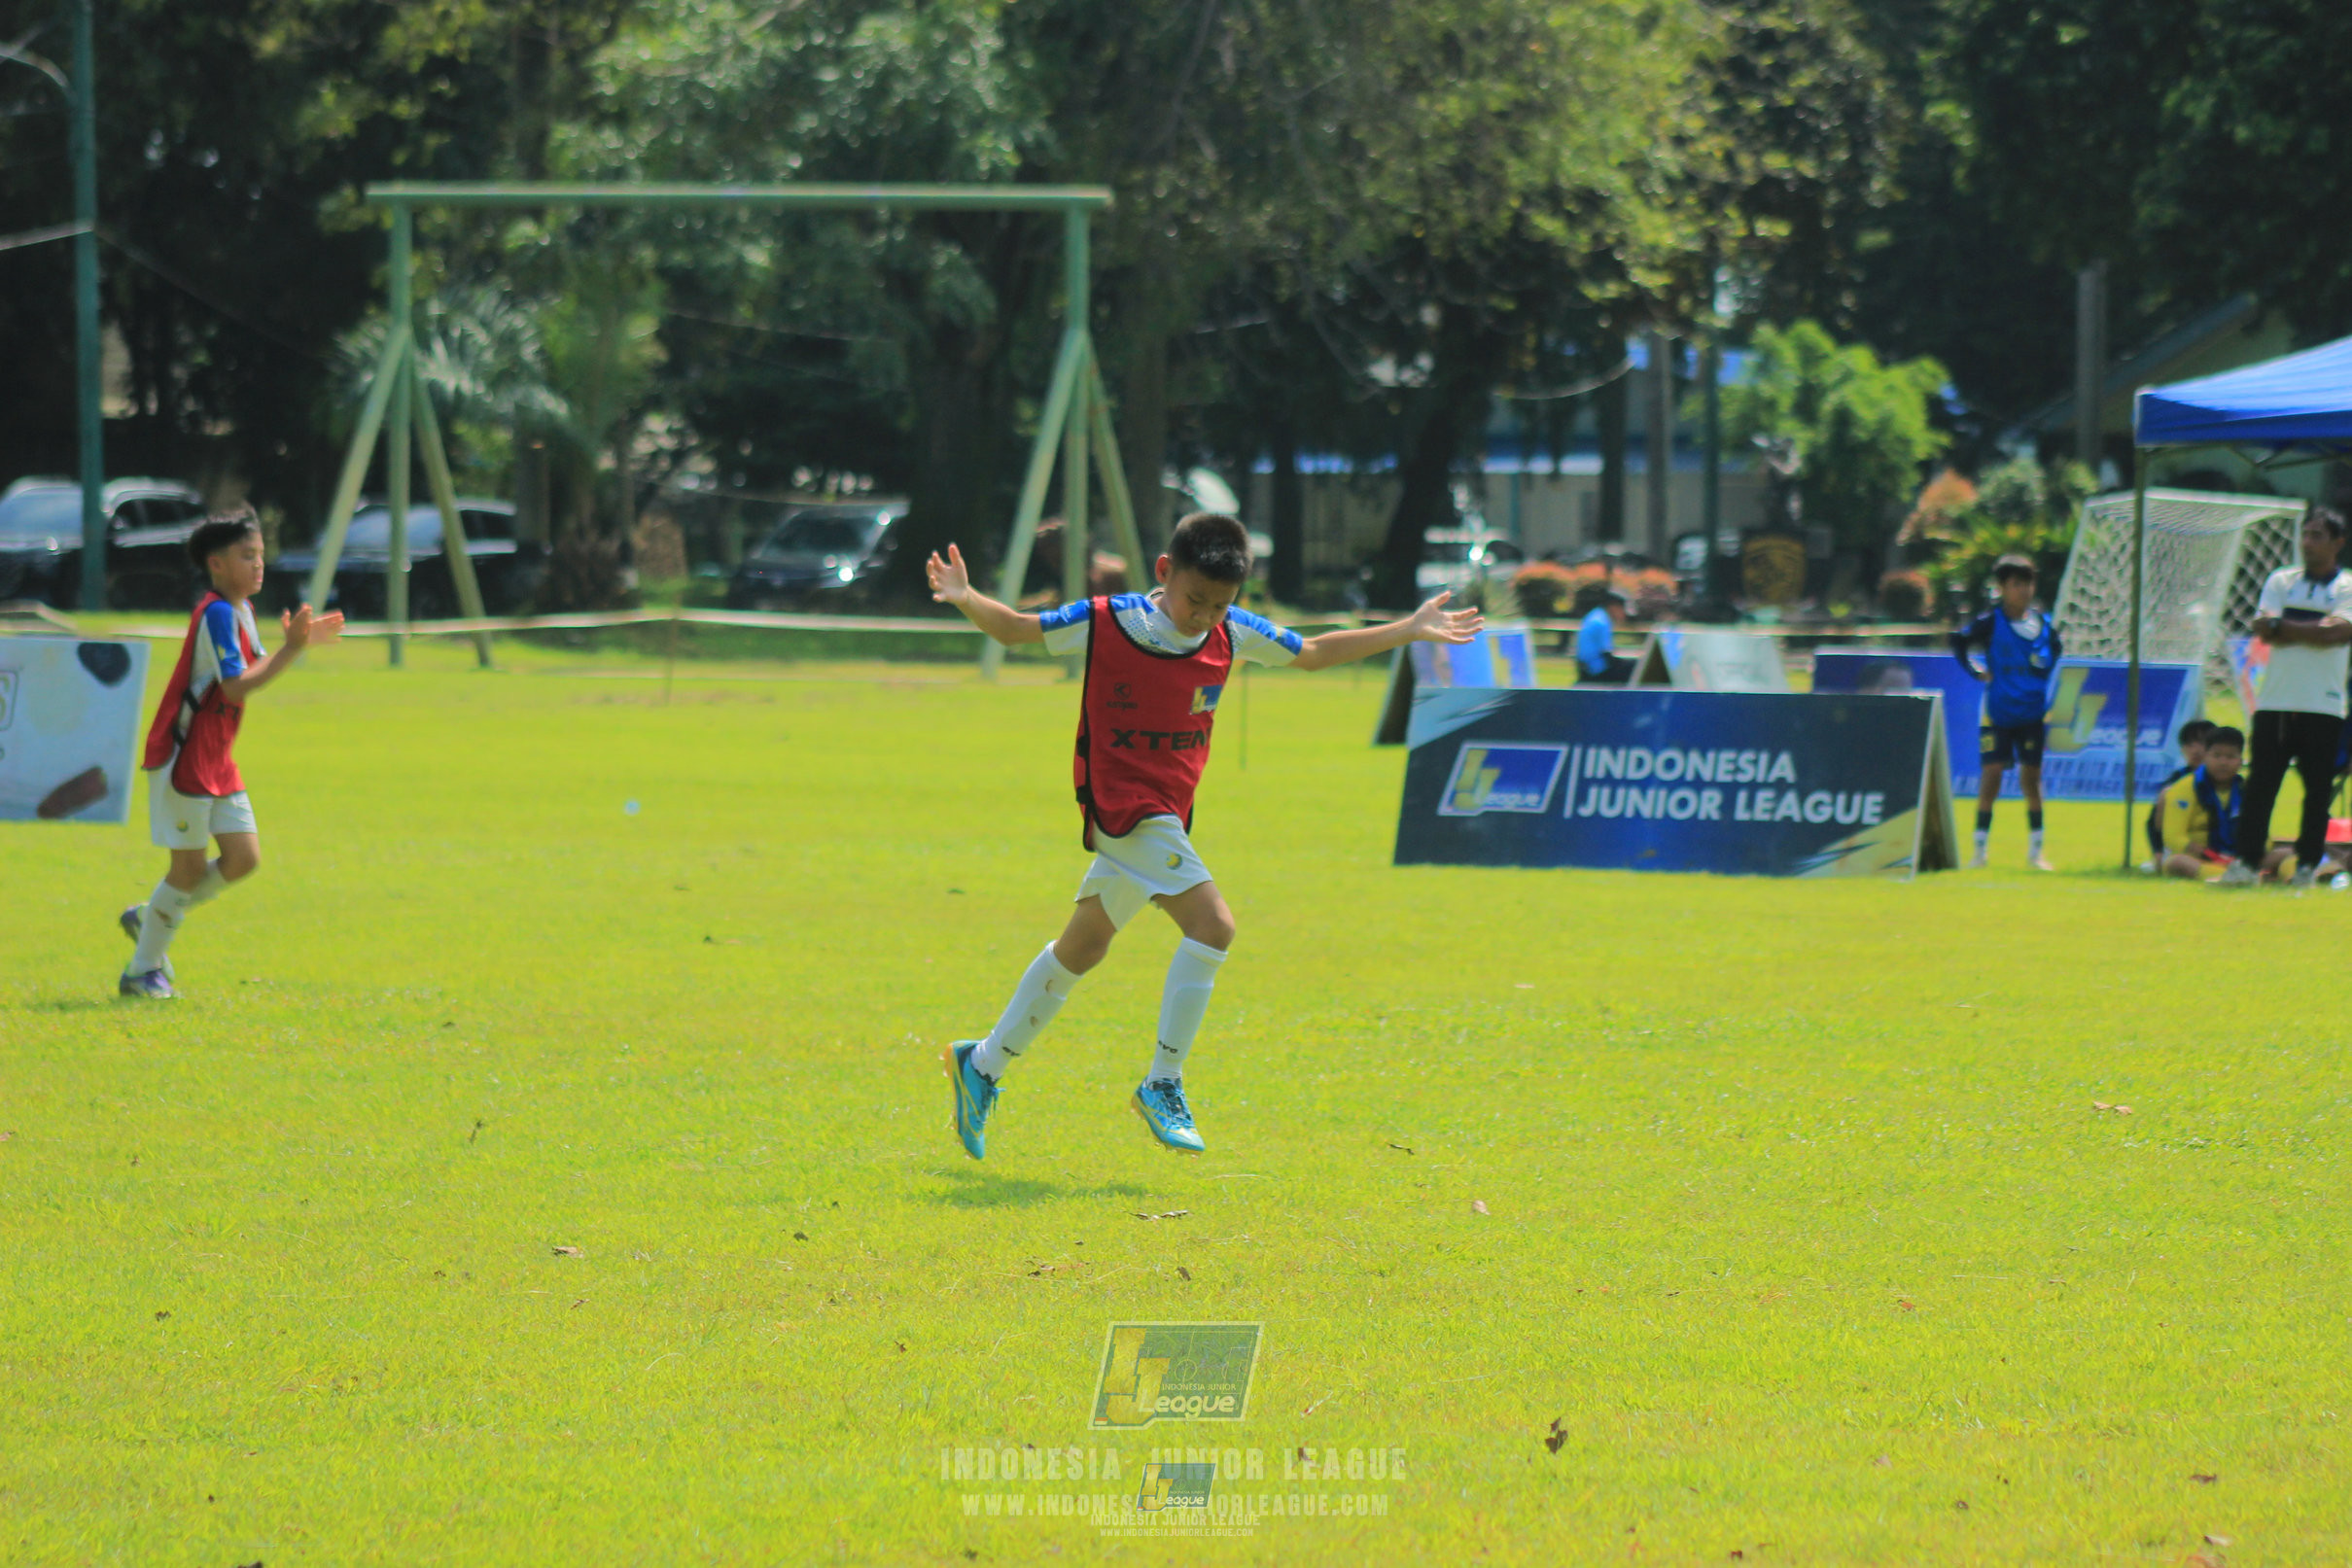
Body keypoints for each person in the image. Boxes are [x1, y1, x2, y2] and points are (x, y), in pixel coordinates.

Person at [924, 511, 1482, 1158]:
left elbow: (1314, 653)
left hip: (1167, 813)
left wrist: (1408, 628)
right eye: (1195, 599)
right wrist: (966, 597)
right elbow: (1017, 630)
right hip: (1125, 810)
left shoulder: (1231, 630)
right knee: (1213, 927)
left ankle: (981, 1064)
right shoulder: (1108, 621)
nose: (1205, 616)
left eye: (1220, 604)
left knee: (1084, 946)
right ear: (1165, 572)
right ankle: (1162, 1081)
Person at [117, 509, 342, 997]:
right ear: (216, 564)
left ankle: (151, 916)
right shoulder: (217, 612)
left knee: (242, 858)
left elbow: (249, 670)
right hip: (185, 757)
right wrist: (291, 650)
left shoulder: (241, 611)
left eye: (260, 554)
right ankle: (141, 971)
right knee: (188, 869)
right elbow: (236, 687)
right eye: (246, 555)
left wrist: (298, 644)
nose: (258, 564)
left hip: (216, 756)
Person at [2218, 505, 2352, 888]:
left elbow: (2337, 634)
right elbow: (2263, 628)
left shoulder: (2346, 586)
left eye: (2317, 536)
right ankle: (2246, 863)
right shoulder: (2281, 580)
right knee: (2261, 786)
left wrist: (2285, 627)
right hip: (2275, 702)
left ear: (2338, 543)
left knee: (2317, 793)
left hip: (2323, 704)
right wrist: (2312, 628)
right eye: (2305, 534)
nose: (2307, 542)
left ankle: (2307, 866)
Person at [1951, 554, 2062, 870]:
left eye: (2028, 583)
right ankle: (1979, 851)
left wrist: (2038, 678)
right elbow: (1959, 642)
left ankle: (2036, 852)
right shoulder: (1990, 622)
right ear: (2001, 587)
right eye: (2016, 584)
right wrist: (1976, 671)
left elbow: (2055, 650)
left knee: (2032, 779)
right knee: (1992, 775)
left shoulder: (2043, 625)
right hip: (1997, 713)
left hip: (2032, 714)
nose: (2023, 590)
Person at [2152, 726, 2273, 880]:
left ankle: (2287, 877)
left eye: (2231, 757)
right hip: (2198, 856)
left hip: (2239, 857)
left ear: (2241, 761)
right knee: (2178, 862)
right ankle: (2232, 877)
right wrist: (2208, 854)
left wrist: (2252, 854)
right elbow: (2173, 837)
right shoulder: (2185, 787)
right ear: (2205, 757)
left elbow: (2262, 836)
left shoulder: (2247, 791)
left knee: (2283, 854)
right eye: (2216, 755)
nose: (2223, 762)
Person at [2146, 718, 2215, 862]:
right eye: (2189, 745)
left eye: (2202, 743)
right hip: (2184, 847)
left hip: (2219, 844)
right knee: (2165, 794)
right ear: (2182, 749)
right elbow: (2153, 823)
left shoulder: (2229, 781)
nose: (2195, 750)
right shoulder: (2176, 780)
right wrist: (2157, 851)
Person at [1575, 588, 1634, 684]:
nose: (1624, 615)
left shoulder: (1596, 615)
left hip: (1585, 667)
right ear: (1614, 606)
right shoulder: (1602, 622)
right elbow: (1606, 654)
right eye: (1622, 609)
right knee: (1635, 668)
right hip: (1595, 671)